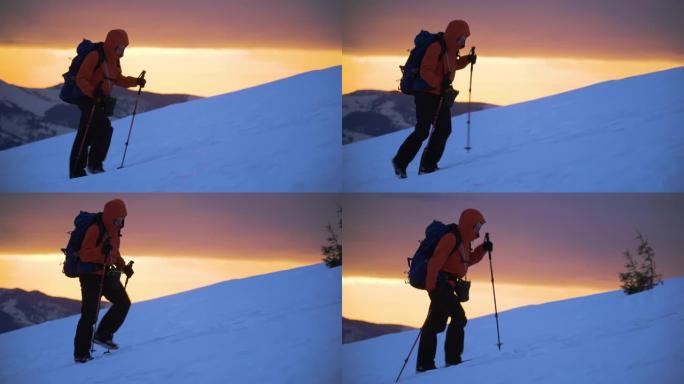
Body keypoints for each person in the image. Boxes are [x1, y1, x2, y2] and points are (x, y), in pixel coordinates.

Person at [393, 20, 476, 178]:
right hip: (426, 93)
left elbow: (451, 65)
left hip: (440, 94)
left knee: (444, 129)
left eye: (465, 38)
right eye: (461, 37)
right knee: (423, 131)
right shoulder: (436, 46)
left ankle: (428, 166)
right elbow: (426, 71)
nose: (463, 41)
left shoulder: (451, 49)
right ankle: (400, 162)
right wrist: (440, 83)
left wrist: (466, 60)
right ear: (454, 35)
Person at [416, 208, 492, 372]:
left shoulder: (463, 242)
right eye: (477, 226)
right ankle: (451, 359)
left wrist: (483, 248)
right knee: (459, 318)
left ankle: (425, 364)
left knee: (435, 324)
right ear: (469, 224)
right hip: (440, 286)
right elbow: (434, 264)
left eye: (479, 227)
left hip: (446, 287)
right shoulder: (451, 238)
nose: (478, 230)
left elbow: (466, 261)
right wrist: (432, 290)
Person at [69, 29, 146, 178]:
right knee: (104, 129)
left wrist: (135, 81)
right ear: (113, 44)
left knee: (86, 134)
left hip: (98, 100)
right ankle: (94, 165)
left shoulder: (114, 61)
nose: (122, 50)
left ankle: (77, 172)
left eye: (124, 47)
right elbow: (81, 79)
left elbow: (118, 79)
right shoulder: (95, 56)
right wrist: (93, 91)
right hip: (87, 98)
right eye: (121, 46)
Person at [73, 198, 134, 363]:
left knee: (123, 302)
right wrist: (101, 251)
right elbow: (84, 254)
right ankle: (81, 354)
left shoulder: (115, 233)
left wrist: (124, 266)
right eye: (119, 218)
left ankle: (103, 335)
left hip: (107, 272)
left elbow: (115, 255)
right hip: (91, 275)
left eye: (123, 219)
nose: (121, 222)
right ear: (111, 216)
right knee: (90, 314)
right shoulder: (95, 229)